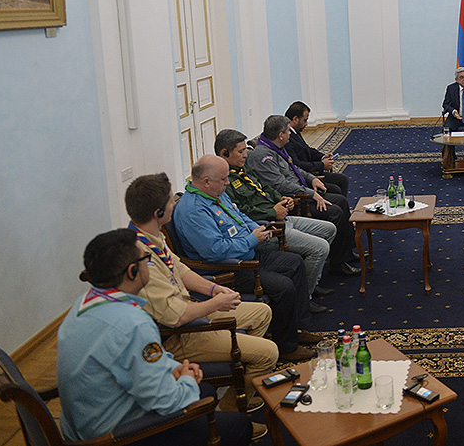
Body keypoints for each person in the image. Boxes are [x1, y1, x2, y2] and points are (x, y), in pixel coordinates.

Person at [58, 229, 251, 445]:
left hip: (86, 423)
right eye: (147, 259)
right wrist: (186, 379)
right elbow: (167, 402)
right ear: (133, 271)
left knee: (204, 390)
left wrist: (173, 369)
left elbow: (132, 360)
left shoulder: (83, 304)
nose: (149, 264)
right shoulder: (133, 323)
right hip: (117, 436)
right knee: (240, 425)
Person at [126, 173, 277, 437]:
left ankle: (239, 391)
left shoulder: (149, 236)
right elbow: (176, 317)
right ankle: (231, 409)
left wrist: (213, 289)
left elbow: (180, 269)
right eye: (170, 201)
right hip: (180, 333)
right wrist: (214, 304)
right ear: (158, 212)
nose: (174, 204)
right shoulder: (140, 257)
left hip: (190, 308)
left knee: (261, 313)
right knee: (269, 354)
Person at [172, 155, 321, 362]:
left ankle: (297, 328)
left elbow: (240, 216)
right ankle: (287, 347)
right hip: (228, 268)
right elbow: (215, 252)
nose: (227, 182)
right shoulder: (193, 211)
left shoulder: (216, 192)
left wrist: (257, 228)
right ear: (206, 181)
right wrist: (252, 239)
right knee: (283, 286)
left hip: (247, 251)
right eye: (223, 179)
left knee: (295, 262)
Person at [215, 128, 336, 312]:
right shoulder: (223, 180)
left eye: (245, 150)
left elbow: (264, 187)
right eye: (240, 151)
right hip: (268, 226)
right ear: (225, 153)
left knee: (329, 229)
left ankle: (308, 283)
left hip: (282, 216)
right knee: (320, 248)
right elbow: (241, 212)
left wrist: (281, 198)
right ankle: (304, 298)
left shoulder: (242, 168)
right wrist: (272, 212)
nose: (246, 155)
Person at [245, 115, 359, 277]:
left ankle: (344, 253)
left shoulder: (276, 148)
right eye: (287, 131)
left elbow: (294, 169)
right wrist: (312, 194)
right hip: (293, 200)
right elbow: (280, 185)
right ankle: (337, 263)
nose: (290, 134)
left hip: (301, 190)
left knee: (339, 198)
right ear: (280, 135)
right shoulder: (263, 156)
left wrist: (312, 179)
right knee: (335, 210)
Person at [284, 101, 349, 200]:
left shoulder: (295, 132)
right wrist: (322, 165)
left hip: (310, 171)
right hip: (305, 176)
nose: (306, 124)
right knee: (336, 190)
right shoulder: (287, 138)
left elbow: (307, 149)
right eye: (305, 120)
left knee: (343, 179)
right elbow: (297, 165)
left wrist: (322, 157)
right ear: (295, 119)